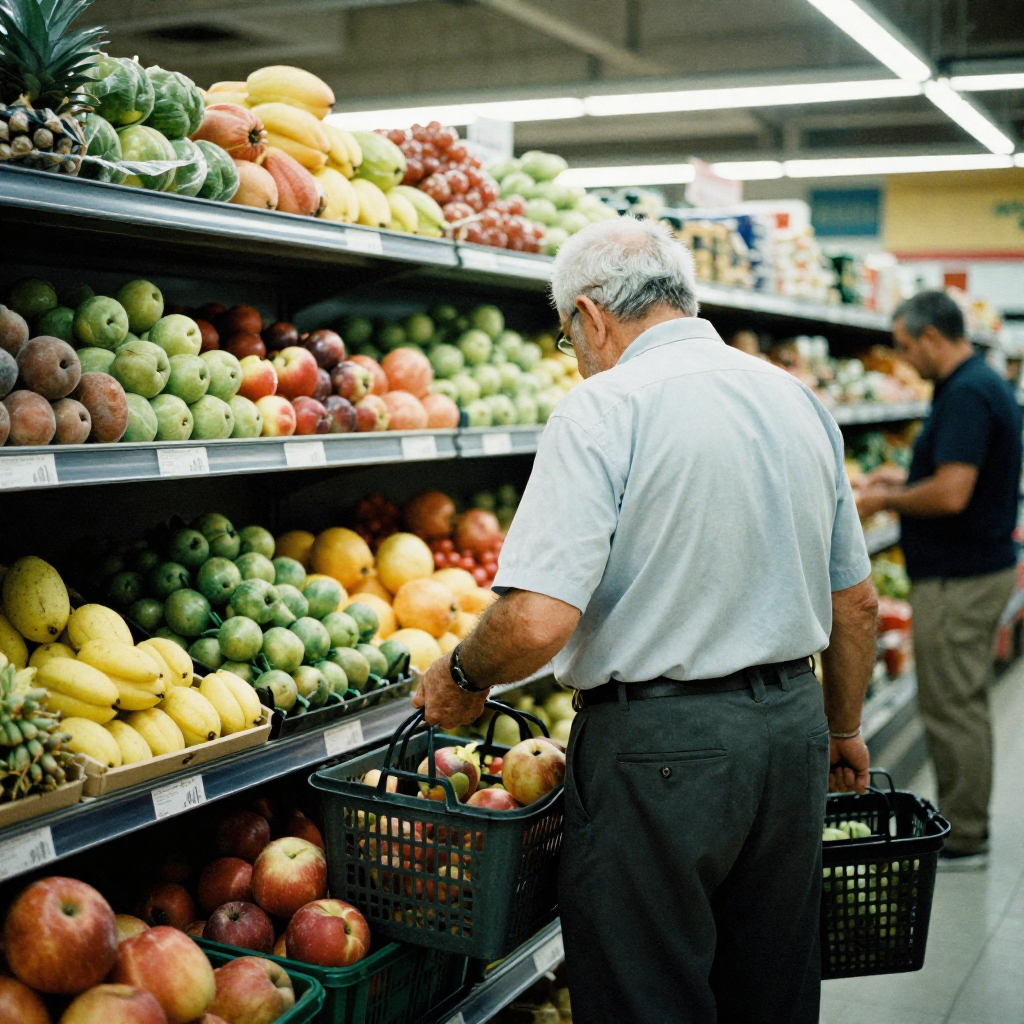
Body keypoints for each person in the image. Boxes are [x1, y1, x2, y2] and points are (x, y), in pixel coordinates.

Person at [414, 216, 877, 1024]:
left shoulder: (603, 408)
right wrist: (841, 729)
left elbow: (535, 620)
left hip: (660, 757)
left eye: (569, 337)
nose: (577, 355)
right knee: (770, 990)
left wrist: (459, 677)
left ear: (591, 317)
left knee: (647, 994)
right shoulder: (795, 398)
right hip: (792, 734)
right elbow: (856, 602)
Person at [856, 290, 1022, 870]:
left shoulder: (969, 393)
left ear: (931, 336)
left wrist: (884, 500)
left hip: (960, 577)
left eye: (905, 347)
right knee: (960, 701)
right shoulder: (973, 385)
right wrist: (899, 474)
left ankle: (967, 834)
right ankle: (968, 820)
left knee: (953, 706)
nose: (904, 361)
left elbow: (952, 493)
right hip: (971, 568)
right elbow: (953, 472)